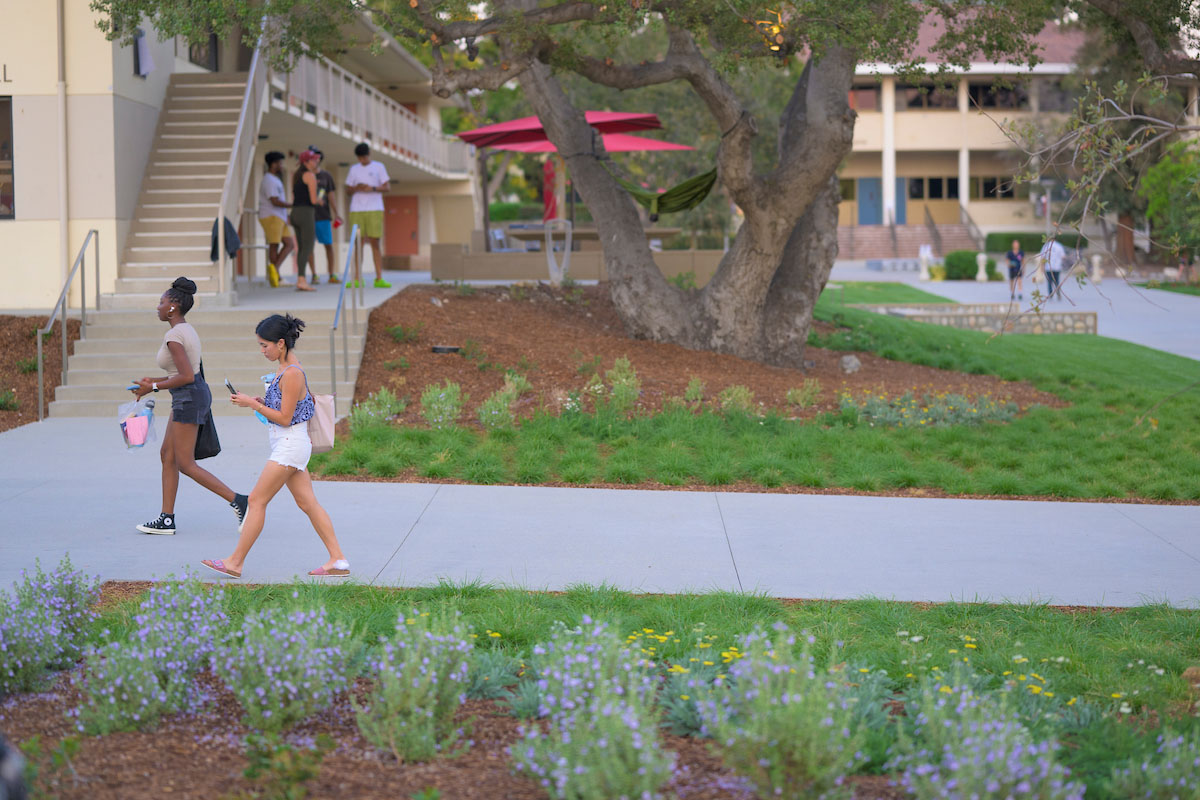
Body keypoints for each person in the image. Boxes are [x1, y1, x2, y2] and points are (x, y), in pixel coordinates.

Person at [202, 314, 350, 579]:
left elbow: (284, 417)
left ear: (281, 343)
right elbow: (284, 409)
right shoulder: (285, 368)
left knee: (257, 500)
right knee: (308, 504)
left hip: (291, 444)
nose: (262, 350)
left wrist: (253, 404)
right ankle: (338, 560)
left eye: (264, 345)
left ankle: (235, 562)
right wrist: (262, 401)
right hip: (290, 443)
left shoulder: (292, 373)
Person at [131, 277, 248, 535]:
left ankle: (240, 501)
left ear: (173, 306)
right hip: (188, 396)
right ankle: (166, 518)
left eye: (161, 302)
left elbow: (186, 377)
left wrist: (153, 387)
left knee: (185, 463)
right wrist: (153, 382)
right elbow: (184, 373)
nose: (158, 307)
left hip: (188, 397)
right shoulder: (186, 330)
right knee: (167, 455)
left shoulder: (174, 335)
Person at [346, 142, 392, 289]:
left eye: (364, 157)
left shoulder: (379, 166)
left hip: (374, 208)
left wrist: (372, 188)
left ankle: (379, 278)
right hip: (357, 209)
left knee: (375, 242)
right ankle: (358, 278)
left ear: (369, 154)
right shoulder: (354, 169)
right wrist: (356, 188)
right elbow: (348, 189)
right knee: (358, 243)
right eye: (360, 158)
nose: (362, 160)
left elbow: (387, 187)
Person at [257, 151, 295, 289]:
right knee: (274, 245)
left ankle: (275, 270)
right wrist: (292, 205)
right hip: (271, 216)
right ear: (273, 164)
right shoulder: (269, 180)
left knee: (290, 244)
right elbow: (274, 201)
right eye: (279, 163)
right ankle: (276, 276)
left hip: (279, 216)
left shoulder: (275, 179)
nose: (281, 165)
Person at [289, 150, 322, 292]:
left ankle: (300, 279)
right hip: (306, 212)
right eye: (313, 160)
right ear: (306, 162)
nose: (316, 162)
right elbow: (313, 200)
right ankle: (301, 280)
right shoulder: (310, 175)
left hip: (295, 212)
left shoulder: (296, 175)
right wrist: (320, 200)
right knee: (307, 247)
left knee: (301, 248)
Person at [309, 147, 342, 284]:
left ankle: (331, 274)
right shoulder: (305, 174)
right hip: (309, 215)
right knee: (309, 246)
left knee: (328, 245)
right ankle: (314, 275)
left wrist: (337, 213)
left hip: (323, 215)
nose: (315, 160)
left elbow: (331, 195)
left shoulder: (326, 176)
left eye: (317, 158)